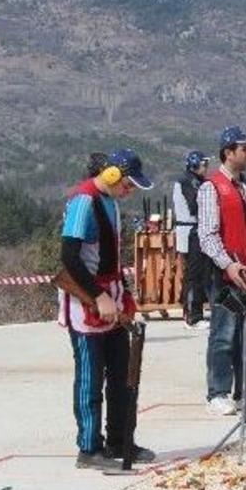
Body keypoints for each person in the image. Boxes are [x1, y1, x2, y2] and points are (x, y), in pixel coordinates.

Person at [59, 148, 155, 470]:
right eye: (128, 184)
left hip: (111, 296)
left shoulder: (110, 202)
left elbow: (111, 257)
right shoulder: (83, 200)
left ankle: (119, 440)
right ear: (112, 174)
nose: (129, 191)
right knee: (89, 377)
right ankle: (89, 448)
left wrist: (122, 295)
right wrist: (98, 295)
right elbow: (70, 257)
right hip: (87, 299)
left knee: (120, 375)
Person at [197, 126, 246, 417]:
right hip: (225, 273)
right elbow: (207, 235)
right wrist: (227, 263)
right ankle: (217, 392)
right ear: (228, 152)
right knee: (223, 334)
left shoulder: (245, 187)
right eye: (244, 149)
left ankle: (245, 392)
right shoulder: (211, 187)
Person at [173, 150, 211, 330]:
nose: (206, 168)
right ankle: (192, 315)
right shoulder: (186, 181)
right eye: (203, 164)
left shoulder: (199, 181)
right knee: (193, 275)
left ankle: (195, 310)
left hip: (197, 230)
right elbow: (194, 205)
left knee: (201, 274)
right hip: (189, 230)